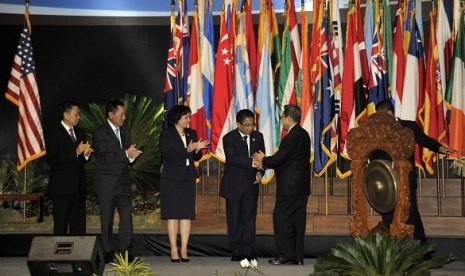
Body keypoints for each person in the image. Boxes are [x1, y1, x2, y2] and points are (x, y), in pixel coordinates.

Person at [375, 99, 456, 242]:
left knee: (411, 213)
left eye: (382, 115)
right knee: (387, 214)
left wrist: (439, 147)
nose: (380, 120)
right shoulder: (376, 132)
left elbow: (424, 140)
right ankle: (391, 250)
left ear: (390, 113)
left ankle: (423, 249)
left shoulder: (409, 127)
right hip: (387, 182)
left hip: (407, 179)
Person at [252, 105, 310, 265]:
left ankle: (285, 255)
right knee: (298, 221)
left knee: (281, 218)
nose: (281, 120)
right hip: (301, 187)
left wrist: (263, 160)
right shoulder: (304, 134)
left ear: (289, 118)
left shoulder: (291, 137)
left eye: (283, 116)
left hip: (289, 187)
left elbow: (279, 159)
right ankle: (298, 257)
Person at [93, 100, 143, 263]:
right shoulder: (100, 133)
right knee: (106, 219)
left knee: (127, 218)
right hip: (106, 184)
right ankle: (107, 251)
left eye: (124, 114)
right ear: (111, 115)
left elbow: (126, 156)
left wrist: (131, 157)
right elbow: (103, 158)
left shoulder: (125, 131)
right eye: (121, 114)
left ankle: (125, 250)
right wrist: (125, 155)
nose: (124, 117)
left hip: (123, 183)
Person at [160, 105, 209, 262]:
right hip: (172, 178)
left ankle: (184, 249)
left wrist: (196, 150)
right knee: (173, 214)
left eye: (189, 117)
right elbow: (169, 154)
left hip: (188, 178)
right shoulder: (166, 134)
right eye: (186, 117)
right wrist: (188, 148)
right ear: (177, 118)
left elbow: (196, 156)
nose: (189, 120)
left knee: (186, 214)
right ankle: (174, 249)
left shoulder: (191, 133)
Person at [220, 109, 265, 262]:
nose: (250, 128)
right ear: (238, 124)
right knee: (234, 219)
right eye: (246, 125)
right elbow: (232, 158)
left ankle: (249, 250)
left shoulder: (258, 137)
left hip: (251, 186)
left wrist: (260, 172)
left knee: (249, 219)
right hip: (234, 186)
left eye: (252, 125)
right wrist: (253, 163)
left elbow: (262, 158)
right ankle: (237, 251)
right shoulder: (229, 138)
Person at [46, 101, 93, 236]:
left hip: (79, 186)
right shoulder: (54, 132)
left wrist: (86, 154)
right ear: (66, 114)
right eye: (76, 114)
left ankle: (78, 255)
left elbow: (83, 158)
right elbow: (52, 158)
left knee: (78, 225)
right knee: (61, 224)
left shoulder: (80, 132)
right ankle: (58, 256)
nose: (79, 117)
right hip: (61, 188)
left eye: (79, 114)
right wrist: (76, 152)